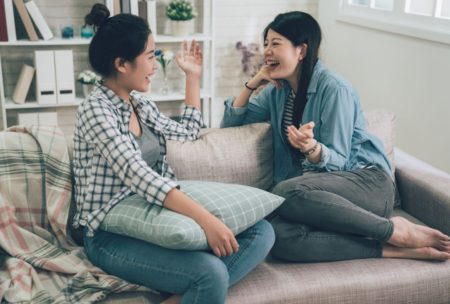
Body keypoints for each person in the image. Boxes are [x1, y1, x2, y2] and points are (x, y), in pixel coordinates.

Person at [72, 4, 275, 304]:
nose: (155, 65)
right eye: (150, 56)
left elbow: (189, 132)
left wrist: (192, 77)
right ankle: (200, 288)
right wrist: (207, 220)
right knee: (211, 275)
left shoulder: (137, 103)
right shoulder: (95, 111)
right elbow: (139, 176)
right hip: (107, 234)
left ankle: (183, 296)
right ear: (122, 64)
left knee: (261, 231)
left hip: (151, 216)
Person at [221, 11, 450, 262]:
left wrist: (311, 148)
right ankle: (391, 249)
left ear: (302, 50)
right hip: (318, 195)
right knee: (280, 237)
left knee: (285, 192)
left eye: (276, 44)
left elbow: (339, 162)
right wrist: (253, 83)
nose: (267, 51)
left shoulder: (334, 88)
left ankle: (393, 230)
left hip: (367, 184)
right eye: (265, 44)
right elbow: (232, 123)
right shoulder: (277, 91)